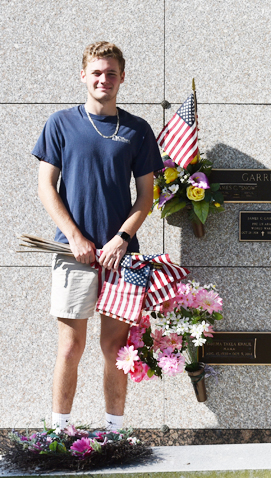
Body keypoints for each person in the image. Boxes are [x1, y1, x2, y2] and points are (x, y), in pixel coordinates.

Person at [33, 41, 163, 431]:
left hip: (122, 258)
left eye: (110, 73)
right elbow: (46, 188)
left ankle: (114, 433)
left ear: (122, 77)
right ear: (83, 76)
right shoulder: (60, 124)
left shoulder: (138, 130)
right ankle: (59, 433)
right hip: (72, 254)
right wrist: (74, 237)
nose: (103, 79)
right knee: (71, 347)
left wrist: (122, 238)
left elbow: (145, 198)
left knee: (114, 349)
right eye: (96, 72)